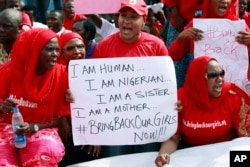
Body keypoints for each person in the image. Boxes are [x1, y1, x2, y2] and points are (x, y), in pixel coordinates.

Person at [92, 0, 169, 157]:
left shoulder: (157, 46)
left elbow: (166, 85)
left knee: (146, 160)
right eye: (123, 15)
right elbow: (93, 87)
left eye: (133, 17)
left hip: (148, 122)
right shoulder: (103, 47)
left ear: (144, 21)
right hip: (114, 124)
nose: (126, 21)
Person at [154, 55, 250, 167]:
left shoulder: (233, 96)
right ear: (198, 78)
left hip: (225, 155)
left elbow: (246, 139)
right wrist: (163, 154)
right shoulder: (180, 99)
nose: (220, 79)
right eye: (213, 75)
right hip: (191, 155)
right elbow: (173, 139)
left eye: (221, 73)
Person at [0, 28, 71, 166]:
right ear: (34, 49)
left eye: (58, 50)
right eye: (50, 49)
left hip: (41, 128)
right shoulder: (8, 71)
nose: (55, 54)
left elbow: (59, 117)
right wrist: (2, 107)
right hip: (7, 127)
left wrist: (34, 127)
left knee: (45, 153)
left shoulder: (61, 75)